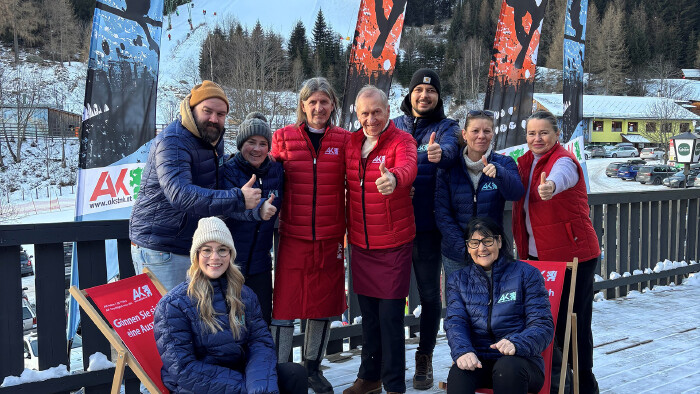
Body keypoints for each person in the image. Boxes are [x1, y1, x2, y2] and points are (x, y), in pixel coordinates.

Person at [130, 80, 260, 291]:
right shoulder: (173, 141)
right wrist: (238, 198)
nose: (213, 119)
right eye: (207, 111)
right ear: (192, 108)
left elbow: (211, 177)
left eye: (220, 114)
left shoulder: (211, 140)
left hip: (190, 245)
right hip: (162, 249)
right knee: (168, 319)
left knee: (193, 318)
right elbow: (181, 194)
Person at [153, 216, 306, 394]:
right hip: (198, 385)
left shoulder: (244, 294)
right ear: (196, 255)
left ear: (231, 254)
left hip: (240, 372)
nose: (215, 257)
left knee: (295, 374)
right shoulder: (173, 305)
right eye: (207, 250)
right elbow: (183, 369)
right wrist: (244, 388)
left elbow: (260, 344)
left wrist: (258, 386)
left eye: (222, 250)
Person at [270, 77, 350, 393]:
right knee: (285, 305)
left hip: (330, 237)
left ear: (333, 105)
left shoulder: (345, 139)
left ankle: (312, 368)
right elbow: (268, 177)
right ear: (302, 105)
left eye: (324, 101)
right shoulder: (283, 138)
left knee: (321, 304)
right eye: (312, 101)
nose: (318, 107)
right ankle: (281, 371)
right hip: (293, 235)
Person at [512, 110, 601, 393]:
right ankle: (554, 380)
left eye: (544, 133)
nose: (537, 138)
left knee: (574, 322)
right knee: (543, 321)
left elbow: (561, 176)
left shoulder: (563, 160)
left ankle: (584, 382)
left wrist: (549, 186)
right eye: (531, 133)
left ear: (557, 134)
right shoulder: (524, 162)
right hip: (538, 258)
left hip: (574, 257)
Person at [343, 85, 418, 394]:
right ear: (357, 114)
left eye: (376, 112)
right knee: (369, 316)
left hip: (394, 242)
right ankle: (369, 376)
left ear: (388, 112)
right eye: (364, 113)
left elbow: (409, 166)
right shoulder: (351, 142)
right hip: (361, 243)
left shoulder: (403, 140)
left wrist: (395, 179)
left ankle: (394, 384)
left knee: (390, 318)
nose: (370, 118)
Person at [392, 68, 460, 389]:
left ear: (438, 97)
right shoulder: (394, 126)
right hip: (391, 227)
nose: (424, 95)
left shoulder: (447, 127)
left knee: (431, 296)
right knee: (389, 296)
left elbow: (450, 150)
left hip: (427, 229)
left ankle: (425, 357)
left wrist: (439, 153)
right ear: (410, 94)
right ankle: (389, 359)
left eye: (430, 91)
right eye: (418, 89)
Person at [444, 217, 553, 394]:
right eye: (474, 242)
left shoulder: (527, 274)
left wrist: (517, 343)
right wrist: (463, 351)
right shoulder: (458, 280)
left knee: (507, 368)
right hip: (480, 359)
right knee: (459, 373)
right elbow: (455, 322)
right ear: (467, 246)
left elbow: (543, 325)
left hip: (520, 362)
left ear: (499, 241)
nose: (481, 248)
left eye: (487, 241)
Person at [435, 110, 523, 279]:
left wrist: (500, 174)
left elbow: (516, 193)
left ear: (492, 134)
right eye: (475, 131)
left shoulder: (504, 163)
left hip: (492, 250)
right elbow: (442, 213)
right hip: (456, 253)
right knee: (459, 302)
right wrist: (467, 247)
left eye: (487, 131)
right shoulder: (449, 168)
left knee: (492, 302)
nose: (481, 136)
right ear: (465, 134)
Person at [222, 112, 283, 326]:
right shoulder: (228, 171)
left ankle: (262, 361)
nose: (257, 149)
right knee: (231, 325)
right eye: (251, 142)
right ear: (241, 144)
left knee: (261, 322)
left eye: (263, 143)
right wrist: (258, 208)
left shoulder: (277, 170)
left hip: (261, 265)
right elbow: (228, 208)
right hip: (229, 265)